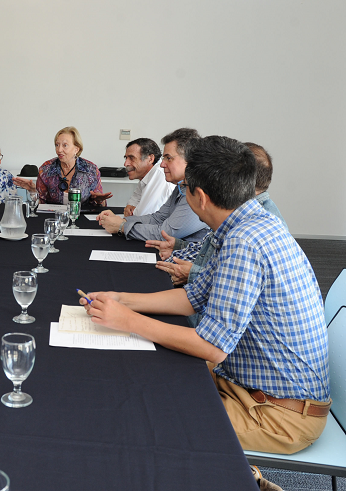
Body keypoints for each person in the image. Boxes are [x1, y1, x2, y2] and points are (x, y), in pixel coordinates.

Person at [81, 136, 330, 456]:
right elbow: (193, 297)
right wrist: (123, 299)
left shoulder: (245, 242)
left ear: (198, 196)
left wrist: (129, 321)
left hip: (277, 414)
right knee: (147, 379)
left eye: (185, 189)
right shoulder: (247, 222)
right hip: (249, 387)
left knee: (144, 418)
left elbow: (212, 347)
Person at [149, 142, 287, 293]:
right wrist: (180, 245)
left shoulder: (249, 231)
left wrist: (195, 274)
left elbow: (234, 285)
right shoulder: (244, 213)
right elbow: (210, 249)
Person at [97, 128, 209, 242]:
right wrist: (123, 222)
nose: (162, 165)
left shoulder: (198, 191)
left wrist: (121, 227)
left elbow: (166, 233)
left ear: (189, 159)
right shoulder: (182, 186)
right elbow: (157, 218)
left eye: (168, 158)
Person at [12, 126, 110, 206]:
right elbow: (40, 204)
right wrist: (32, 190)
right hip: (53, 219)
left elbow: (99, 205)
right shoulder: (46, 169)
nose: (59, 150)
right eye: (57, 145)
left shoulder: (91, 170)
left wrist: (100, 201)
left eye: (65, 145)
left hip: (81, 219)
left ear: (76, 149)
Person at [121, 138, 175, 217]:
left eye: (132, 158)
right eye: (126, 158)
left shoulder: (160, 173)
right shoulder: (145, 176)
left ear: (150, 159)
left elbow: (143, 216)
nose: (125, 164)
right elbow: (132, 202)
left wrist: (133, 211)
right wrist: (129, 207)